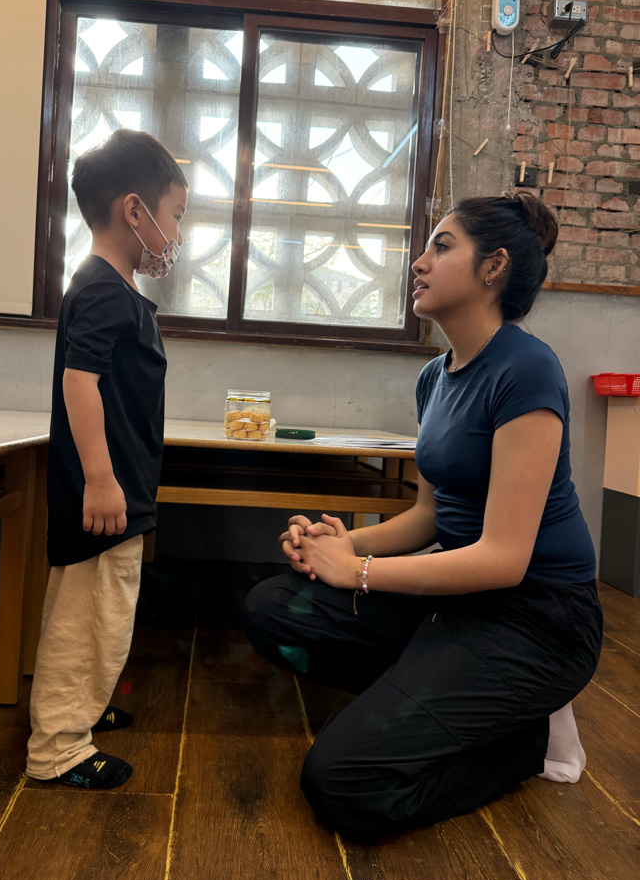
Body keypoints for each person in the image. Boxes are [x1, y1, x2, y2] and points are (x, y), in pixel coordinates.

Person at [243, 192, 602, 842]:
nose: (419, 261)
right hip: (459, 603)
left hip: (540, 620)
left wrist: (357, 572)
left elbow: (504, 560)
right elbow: (429, 516)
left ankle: (523, 741)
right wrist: (340, 543)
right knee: (273, 607)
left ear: (493, 267)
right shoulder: (436, 377)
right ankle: (444, 692)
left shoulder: (527, 370)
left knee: (341, 782)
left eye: (442, 245)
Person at [26, 129, 188, 789]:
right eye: (175, 215)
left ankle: (79, 713)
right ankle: (58, 748)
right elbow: (79, 380)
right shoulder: (101, 290)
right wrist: (100, 479)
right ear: (134, 210)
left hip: (118, 490)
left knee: (97, 613)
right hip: (104, 496)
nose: (176, 233)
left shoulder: (115, 290)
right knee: (90, 618)